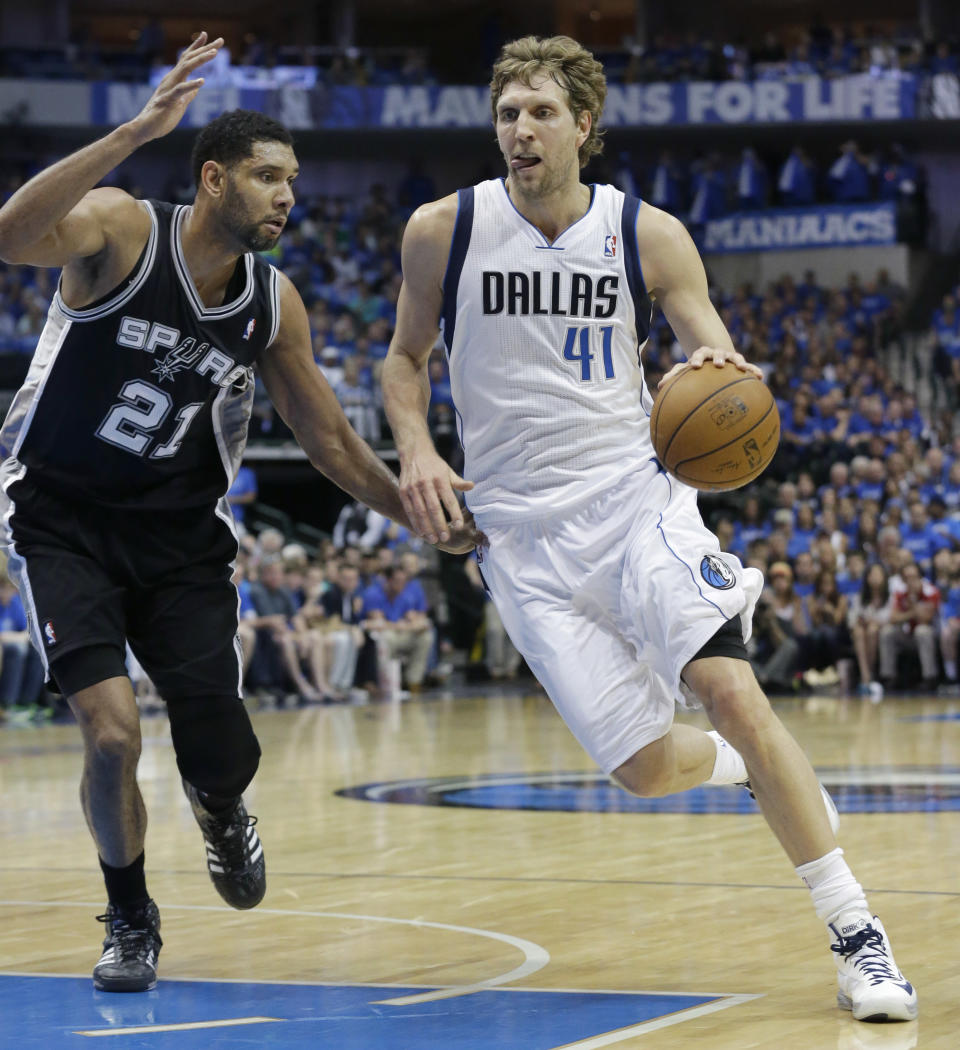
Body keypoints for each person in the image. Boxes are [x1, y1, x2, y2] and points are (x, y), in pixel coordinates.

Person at [380, 34, 916, 1023]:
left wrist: (724, 380)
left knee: (729, 690)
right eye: (507, 113)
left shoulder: (650, 233)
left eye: (540, 111)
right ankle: (756, 772)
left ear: (585, 124)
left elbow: (714, 353)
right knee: (642, 770)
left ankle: (857, 935)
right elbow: (403, 362)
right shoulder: (442, 230)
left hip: (638, 504)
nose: (521, 129)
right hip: (519, 539)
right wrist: (416, 450)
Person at [0, 33, 478, 995]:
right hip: (61, 516)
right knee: (112, 734)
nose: (287, 197)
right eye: (266, 177)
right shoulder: (121, 230)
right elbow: (13, 235)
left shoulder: (273, 302)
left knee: (214, 737)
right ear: (212, 179)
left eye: (292, 180)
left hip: (181, 537)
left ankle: (221, 808)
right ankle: (130, 914)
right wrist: (135, 129)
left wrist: (414, 510)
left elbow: (330, 442)